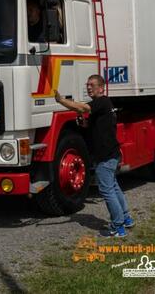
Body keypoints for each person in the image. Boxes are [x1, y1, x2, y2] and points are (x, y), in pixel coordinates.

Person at [54, 75, 134, 238]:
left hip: (105, 156)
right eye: (87, 85)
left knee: (107, 190)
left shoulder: (101, 101)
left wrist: (61, 101)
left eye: (92, 85)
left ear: (101, 88)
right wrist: (86, 125)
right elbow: (99, 125)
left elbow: (82, 108)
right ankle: (126, 219)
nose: (89, 88)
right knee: (114, 187)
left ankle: (117, 227)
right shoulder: (105, 104)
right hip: (111, 153)